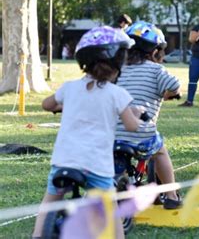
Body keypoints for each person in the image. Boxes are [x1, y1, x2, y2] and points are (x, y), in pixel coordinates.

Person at [32, 26, 140, 238]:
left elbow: (47, 105)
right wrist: (135, 114)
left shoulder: (69, 88)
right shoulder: (118, 94)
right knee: (110, 208)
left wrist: (63, 105)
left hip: (64, 161)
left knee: (50, 200)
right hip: (97, 166)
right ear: (118, 62)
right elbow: (132, 126)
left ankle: (37, 235)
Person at [115, 21, 182, 209]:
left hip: (112, 130)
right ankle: (171, 196)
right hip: (139, 130)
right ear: (154, 52)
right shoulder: (156, 69)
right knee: (160, 152)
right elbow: (174, 86)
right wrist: (172, 94)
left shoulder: (118, 70)